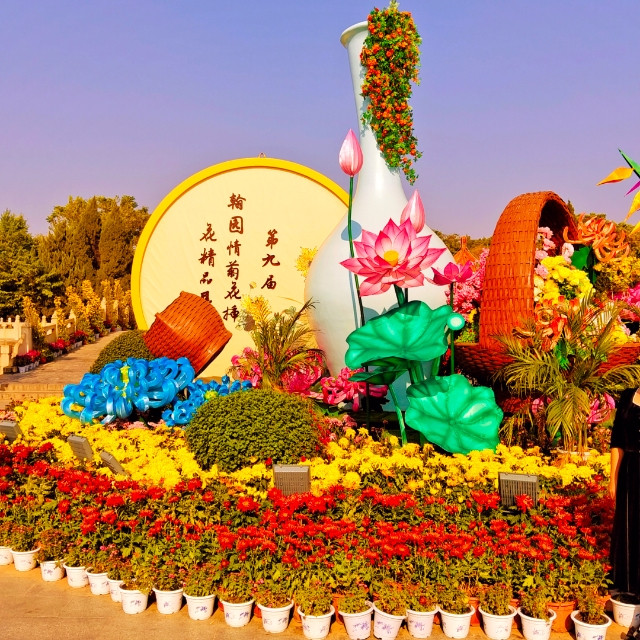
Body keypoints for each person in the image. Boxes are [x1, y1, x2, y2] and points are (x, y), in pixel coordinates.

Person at [609, 387, 640, 596]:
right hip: (629, 470)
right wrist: (613, 479)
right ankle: (626, 586)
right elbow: (617, 441)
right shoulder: (627, 395)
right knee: (627, 525)